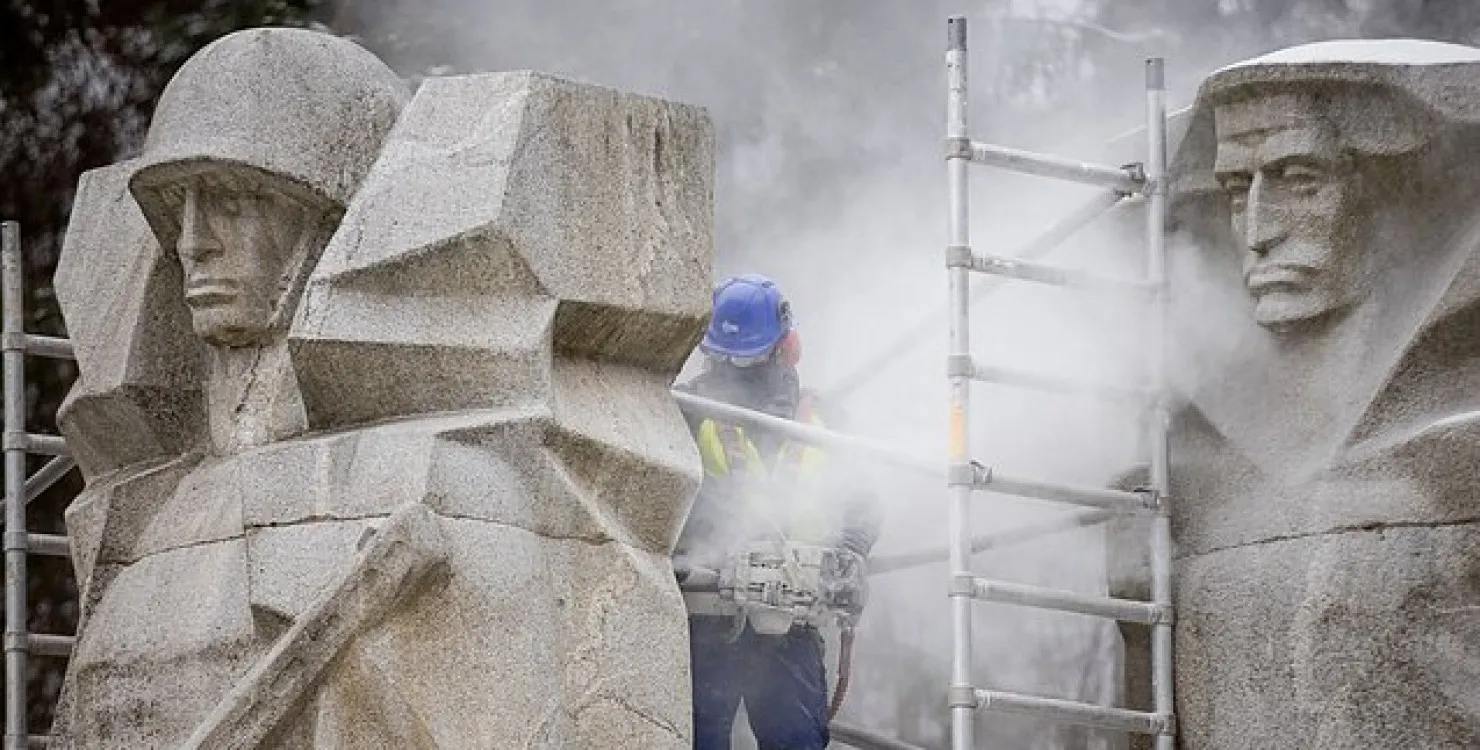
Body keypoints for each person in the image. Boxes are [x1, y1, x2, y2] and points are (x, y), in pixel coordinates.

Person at [674, 273, 881, 750]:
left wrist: (850, 551)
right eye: (722, 359)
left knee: (795, 742)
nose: (730, 371)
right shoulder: (686, 411)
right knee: (700, 738)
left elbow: (864, 499)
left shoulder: (822, 419)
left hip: (791, 619)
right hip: (710, 616)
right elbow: (666, 499)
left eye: (741, 359)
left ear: (784, 349)